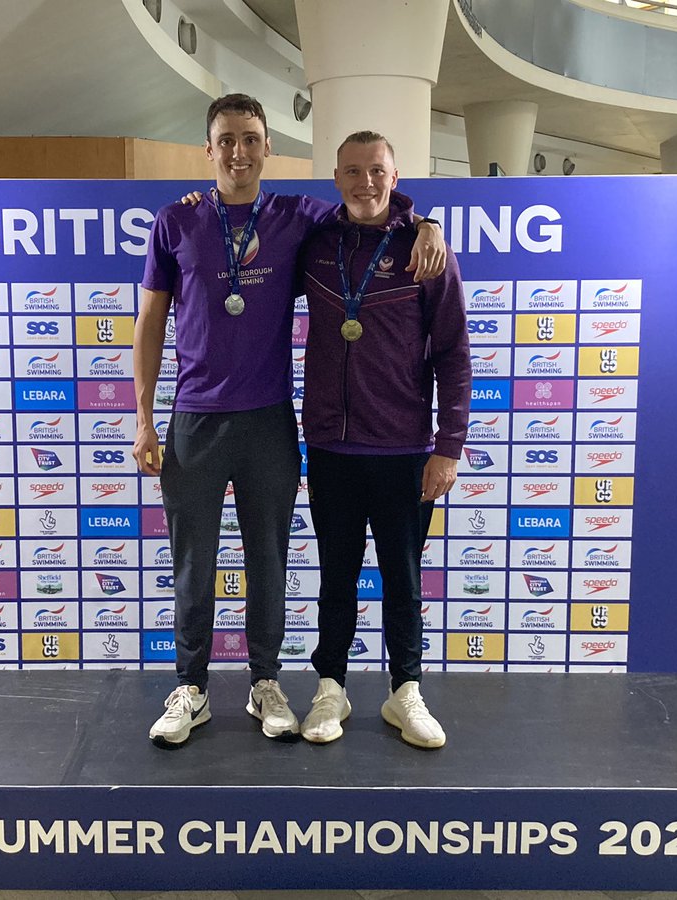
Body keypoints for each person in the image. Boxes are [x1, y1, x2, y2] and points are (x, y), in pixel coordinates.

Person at [134, 95, 444, 747]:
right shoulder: (176, 222)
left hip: (269, 421)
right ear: (209, 148)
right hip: (193, 419)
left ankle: (264, 683)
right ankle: (190, 688)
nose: (238, 152)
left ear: (269, 147)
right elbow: (150, 322)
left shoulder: (298, 217)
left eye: (250, 138)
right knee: (193, 562)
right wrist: (143, 416)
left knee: (267, 560)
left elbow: (373, 208)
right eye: (226, 140)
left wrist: (425, 222)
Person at [298, 131, 471, 749]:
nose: (365, 183)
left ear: (395, 178)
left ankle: (406, 691)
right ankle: (330, 688)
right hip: (329, 447)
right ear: (335, 179)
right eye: (352, 172)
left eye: (376, 171)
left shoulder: (427, 253)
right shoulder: (313, 244)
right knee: (335, 576)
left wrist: (448, 446)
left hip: (402, 450)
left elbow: (453, 354)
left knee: (403, 578)